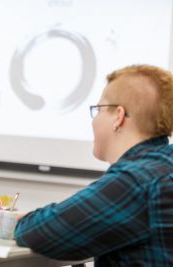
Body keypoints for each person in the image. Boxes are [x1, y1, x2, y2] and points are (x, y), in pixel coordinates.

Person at [14, 64, 173, 266]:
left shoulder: (135, 180)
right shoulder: (164, 164)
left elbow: (36, 234)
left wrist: (22, 220)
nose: (94, 121)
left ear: (119, 116)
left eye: (98, 110)